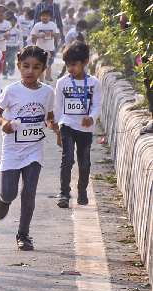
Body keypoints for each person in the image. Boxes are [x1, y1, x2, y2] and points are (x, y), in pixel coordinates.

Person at [0, 45, 58, 251]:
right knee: (10, 193)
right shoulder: (12, 90)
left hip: (34, 150)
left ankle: (24, 234)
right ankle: (3, 200)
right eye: (26, 66)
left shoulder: (48, 92)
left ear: (43, 69)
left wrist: (55, 129)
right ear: (19, 66)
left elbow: (49, 117)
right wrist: (4, 123)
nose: (30, 71)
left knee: (29, 192)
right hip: (12, 150)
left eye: (36, 67)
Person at [54, 41, 98, 209]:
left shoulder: (94, 83)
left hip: (85, 129)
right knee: (67, 159)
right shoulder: (62, 83)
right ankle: (64, 192)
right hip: (67, 125)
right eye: (67, 65)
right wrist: (58, 131)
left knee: (84, 162)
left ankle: (82, 191)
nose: (70, 68)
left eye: (74, 64)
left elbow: (97, 104)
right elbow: (58, 107)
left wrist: (92, 117)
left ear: (85, 62)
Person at [29, 9, 58, 82]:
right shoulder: (37, 25)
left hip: (50, 49)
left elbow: (57, 35)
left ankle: (46, 79)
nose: (45, 17)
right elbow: (32, 37)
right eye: (43, 16)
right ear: (40, 17)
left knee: (48, 65)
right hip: (39, 49)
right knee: (41, 65)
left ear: (50, 17)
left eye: (47, 16)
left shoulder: (53, 25)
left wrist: (49, 34)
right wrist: (39, 35)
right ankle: (41, 81)